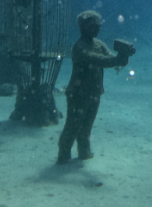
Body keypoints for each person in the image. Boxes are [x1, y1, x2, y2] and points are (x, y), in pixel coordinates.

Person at [57, 10, 135, 164]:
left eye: (98, 25)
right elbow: (99, 60)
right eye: (94, 26)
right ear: (83, 27)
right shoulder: (79, 47)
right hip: (78, 93)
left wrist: (123, 57)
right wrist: (118, 60)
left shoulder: (99, 44)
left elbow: (110, 59)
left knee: (86, 126)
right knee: (72, 126)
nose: (98, 28)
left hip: (94, 92)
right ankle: (63, 155)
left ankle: (84, 152)